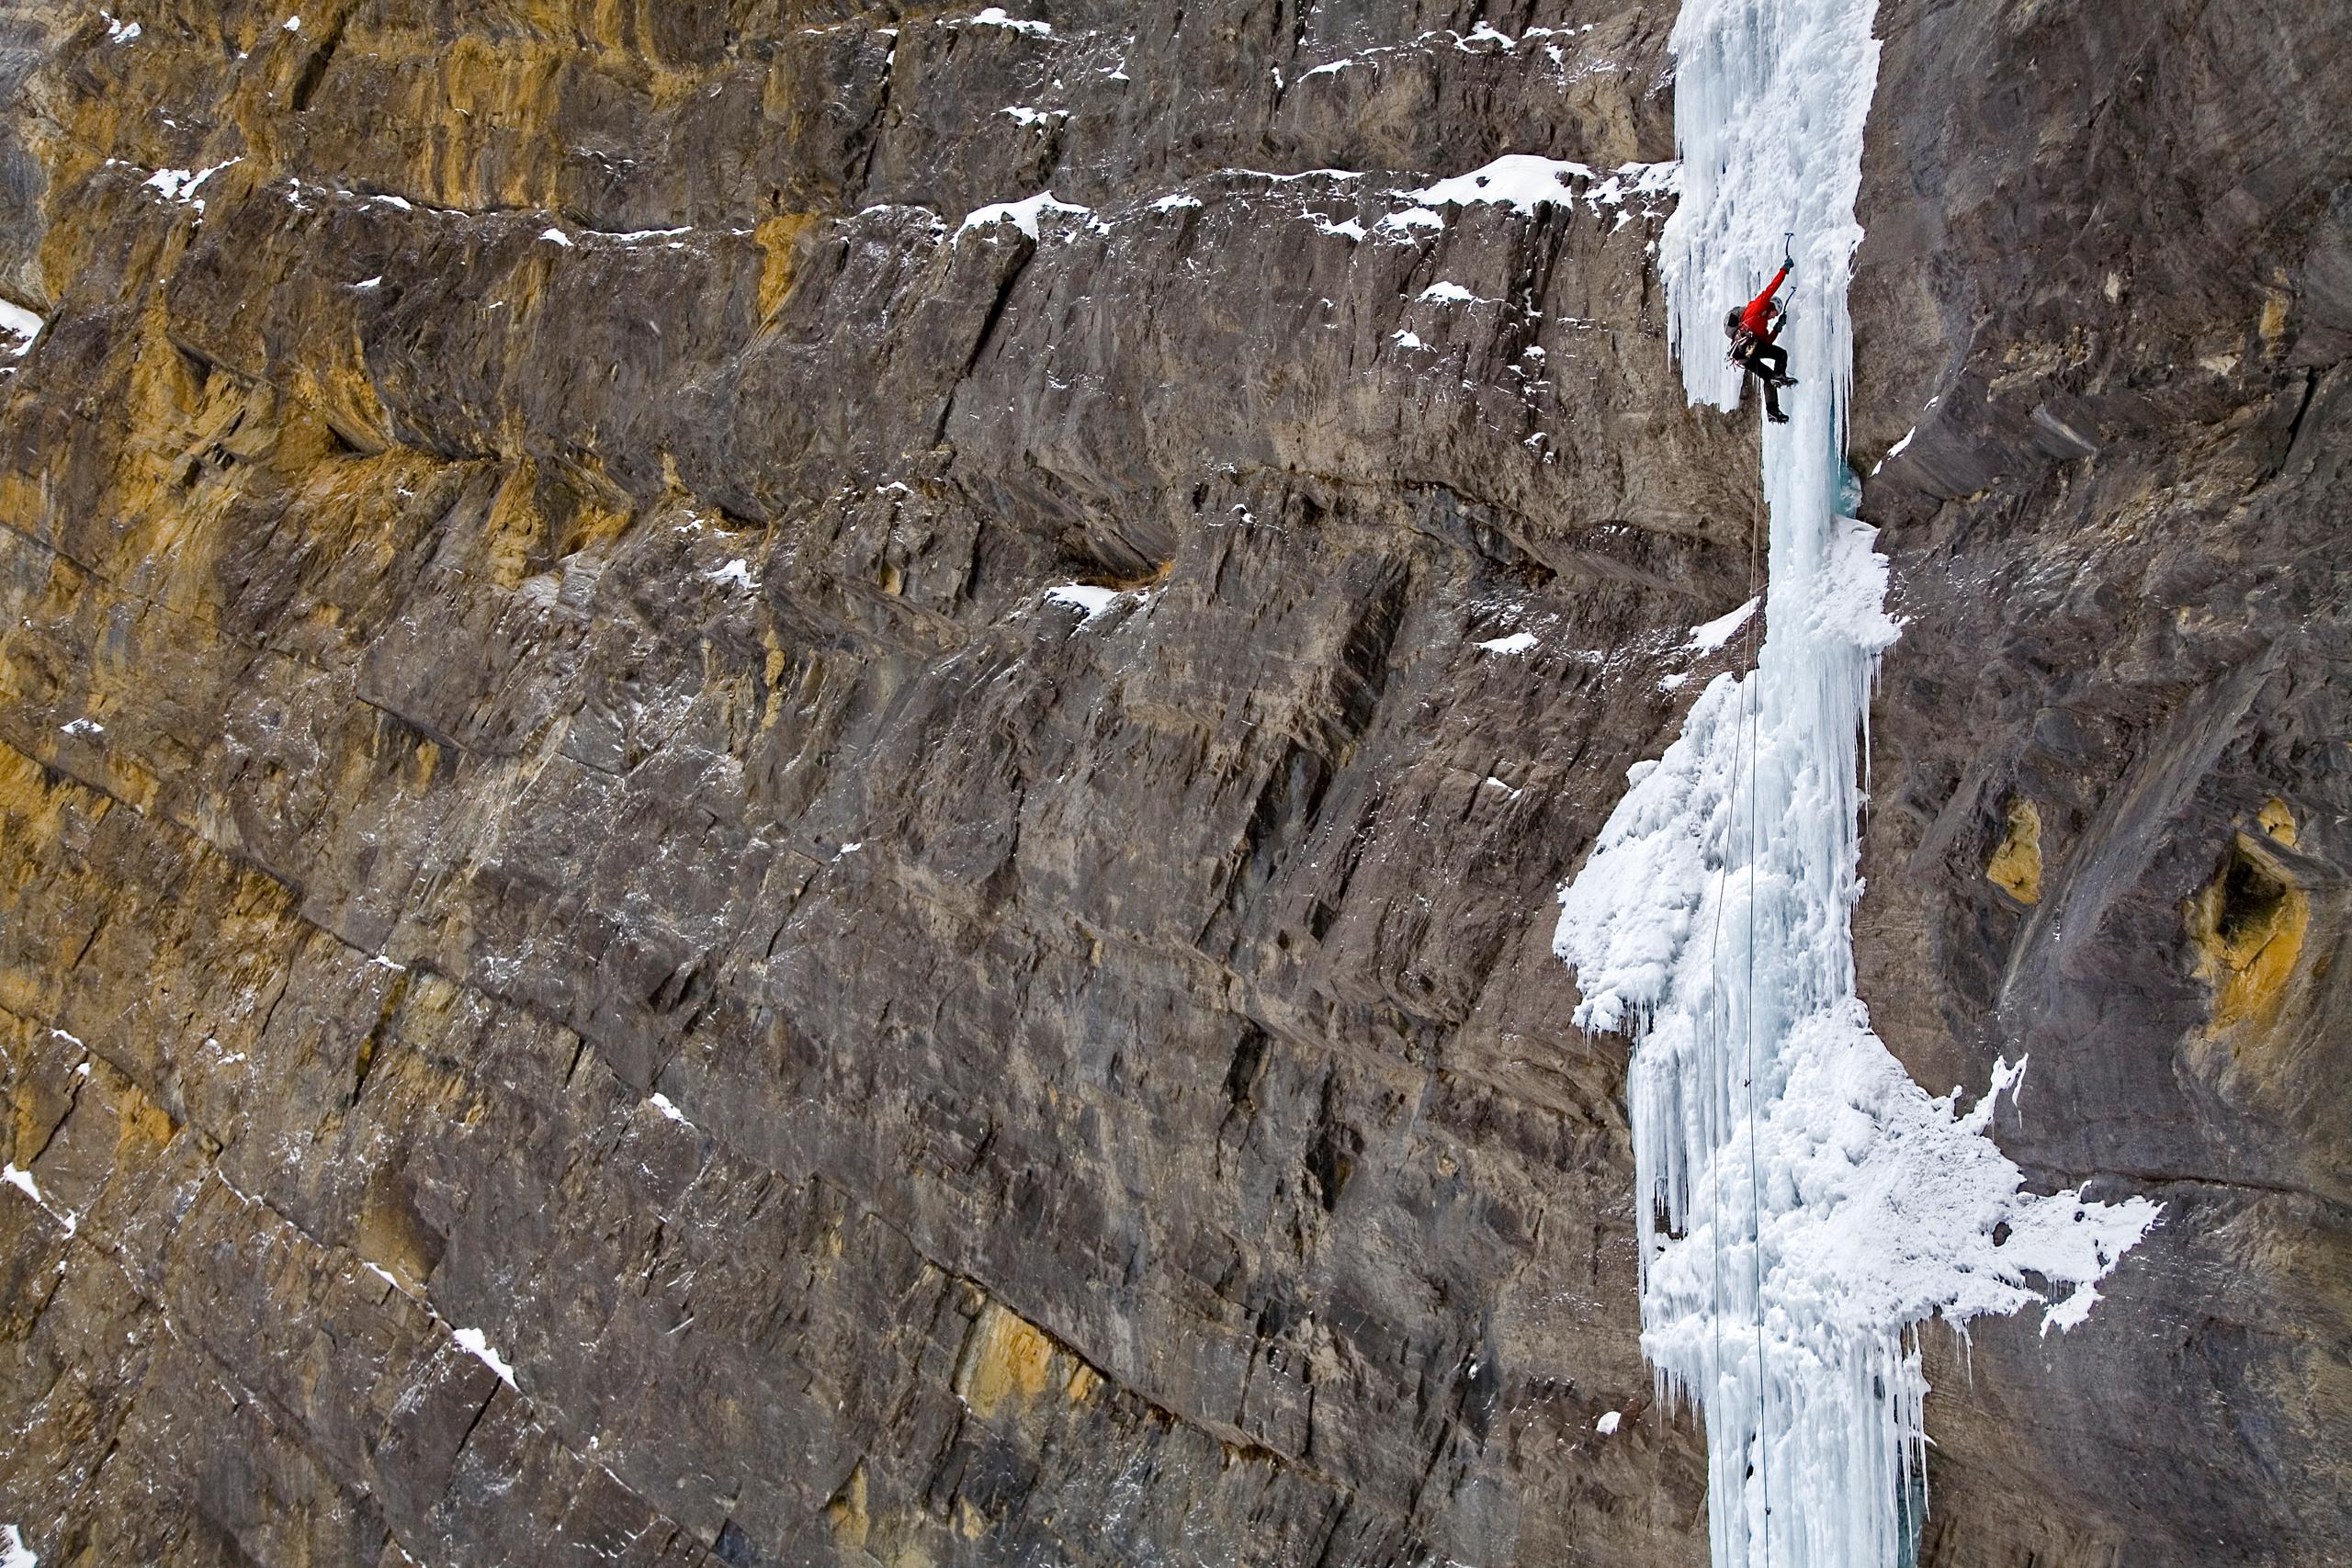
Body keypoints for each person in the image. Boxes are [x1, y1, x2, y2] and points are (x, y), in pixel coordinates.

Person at [1724, 259, 1798, 423]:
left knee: (1768, 377)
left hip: (1745, 356)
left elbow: (1767, 342)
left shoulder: (1763, 327)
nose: (1774, 316)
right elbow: (1772, 288)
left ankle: (1773, 411)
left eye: (1776, 316)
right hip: (1748, 348)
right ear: (1770, 306)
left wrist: (1778, 328)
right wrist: (1784, 270)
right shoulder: (1756, 309)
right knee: (1781, 354)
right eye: (1775, 313)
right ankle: (1780, 375)